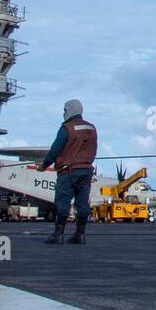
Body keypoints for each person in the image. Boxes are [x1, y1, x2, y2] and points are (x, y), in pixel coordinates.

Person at [36, 99, 98, 245]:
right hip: (87, 170)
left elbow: (55, 149)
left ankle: (58, 235)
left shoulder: (67, 128)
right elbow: (94, 148)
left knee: (62, 202)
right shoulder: (92, 128)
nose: (63, 113)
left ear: (70, 110)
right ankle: (80, 234)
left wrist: (45, 165)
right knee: (82, 202)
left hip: (68, 171)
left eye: (65, 110)